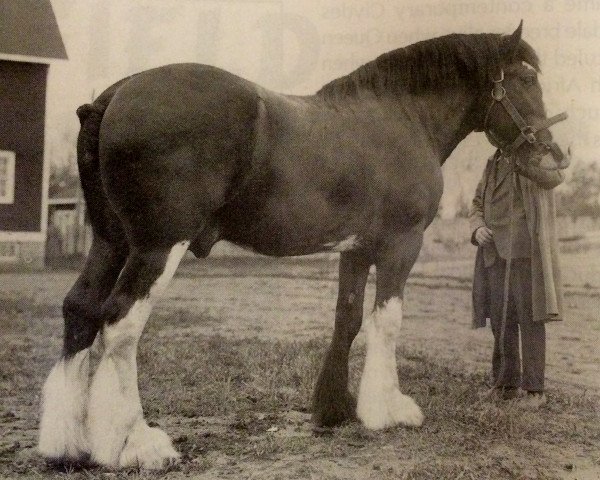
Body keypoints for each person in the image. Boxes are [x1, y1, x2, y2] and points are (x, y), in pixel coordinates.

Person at [470, 149, 564, 407]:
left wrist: (525, 166)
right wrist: (477, 228)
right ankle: (505, 385)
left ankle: (535, 391)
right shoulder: (492, 161)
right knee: (501, 321)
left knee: (530, 319)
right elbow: (477, 202)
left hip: (524, 253)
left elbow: (554, 177)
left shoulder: (532, 155)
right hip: (494, 255)